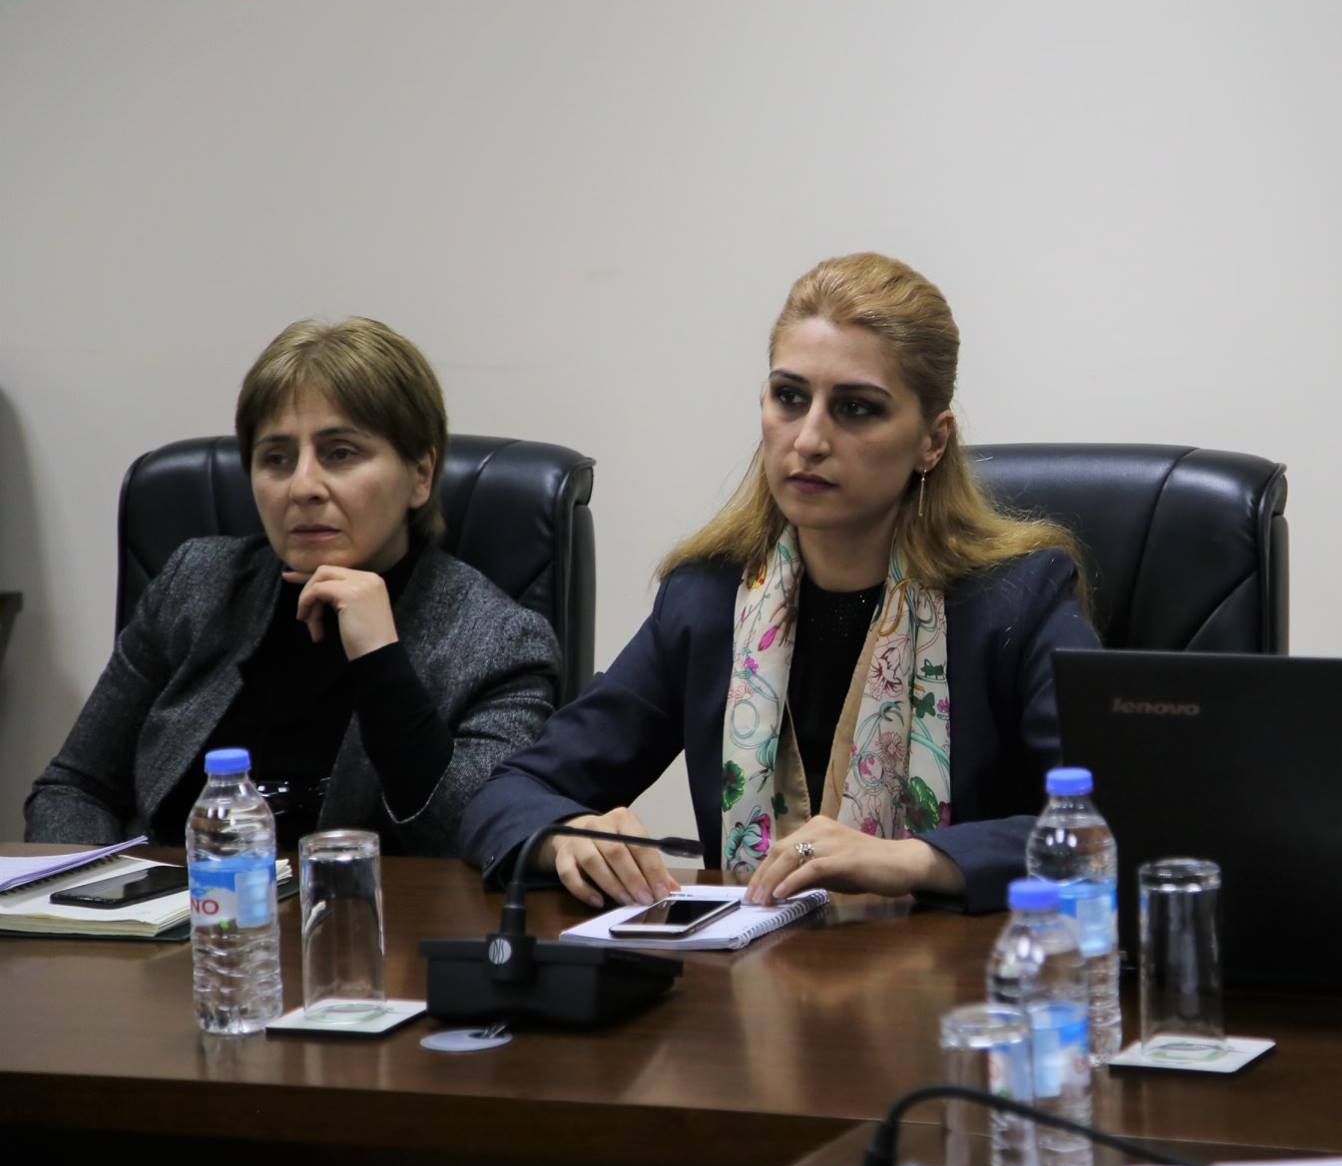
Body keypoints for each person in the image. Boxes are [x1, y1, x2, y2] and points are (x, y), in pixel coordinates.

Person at [460, 253, 1098, 914]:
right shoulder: (708, 599)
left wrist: (914, 859)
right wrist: (567, 835)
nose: (810, 438)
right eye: (790, 397)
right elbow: (508, 793)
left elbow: (1109, 825)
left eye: (857, 408)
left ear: (931, 442)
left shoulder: (1014, 599)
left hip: (968, 971)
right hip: (750, 969)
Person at [25, 318, 560, 857]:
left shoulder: (499, 642)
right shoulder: (196, 585)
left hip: (357, 909)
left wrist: (381, 662)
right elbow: (75, 787)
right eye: (276, 459)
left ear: (420, 475)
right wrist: (99, 893)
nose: (302, 487)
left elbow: (470, 841)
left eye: (340, 453)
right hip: (178, 904)